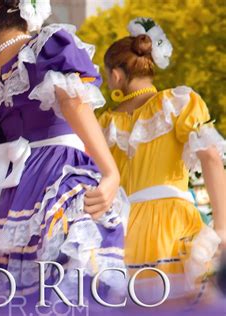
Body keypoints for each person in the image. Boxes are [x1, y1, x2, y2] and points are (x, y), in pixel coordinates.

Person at [0, 0, 127, 301]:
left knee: (21, 292)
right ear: (29, 15)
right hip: (57, 171)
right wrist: (111, 171)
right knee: (77, 281)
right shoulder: (45, 46)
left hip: (9, 192)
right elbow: (72, 100)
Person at [98, 18, 226, 304]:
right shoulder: (179, 103)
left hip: (121, 229)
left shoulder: (105, 122)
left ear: (117, 76)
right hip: (171, 223)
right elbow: (212, 158)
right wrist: (222, 226)